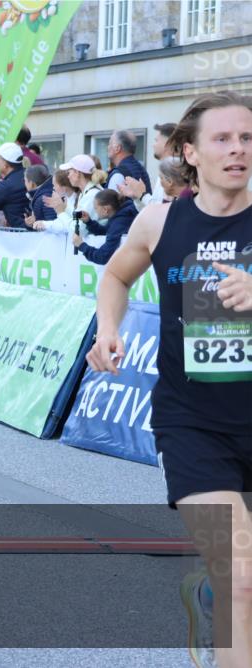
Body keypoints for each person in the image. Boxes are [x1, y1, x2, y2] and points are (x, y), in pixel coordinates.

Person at [86, 91, 252, 668]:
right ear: (190, 152)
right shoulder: (159, 220)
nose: (239, 150)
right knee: (242, 579)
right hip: (193, 423)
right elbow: (115, 276)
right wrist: (108, 327)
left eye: (248, 138)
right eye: (223, 139)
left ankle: (205, 595)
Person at [37, 154, 105, 233]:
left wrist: (61, 212)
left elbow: (77, 230)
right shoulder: (86, 193)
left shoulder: (91, 195)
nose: (68, 177)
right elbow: (74, 220)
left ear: (77, 173)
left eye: (68, 173)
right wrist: (64, 208)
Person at [71, 188, 138, 265]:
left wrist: (82, 245)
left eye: (96, 208)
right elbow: (107, 231)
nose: (95, 211)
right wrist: (89, 222)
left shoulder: (119, 222)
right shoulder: (119, 215)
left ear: (105, 209)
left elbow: (103, 256)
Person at [105, 129, 152, 194]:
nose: (108, 147)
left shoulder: (118, 175)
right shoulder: (141, 169)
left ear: (117, 148)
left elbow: (110, 203)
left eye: (110, 143)